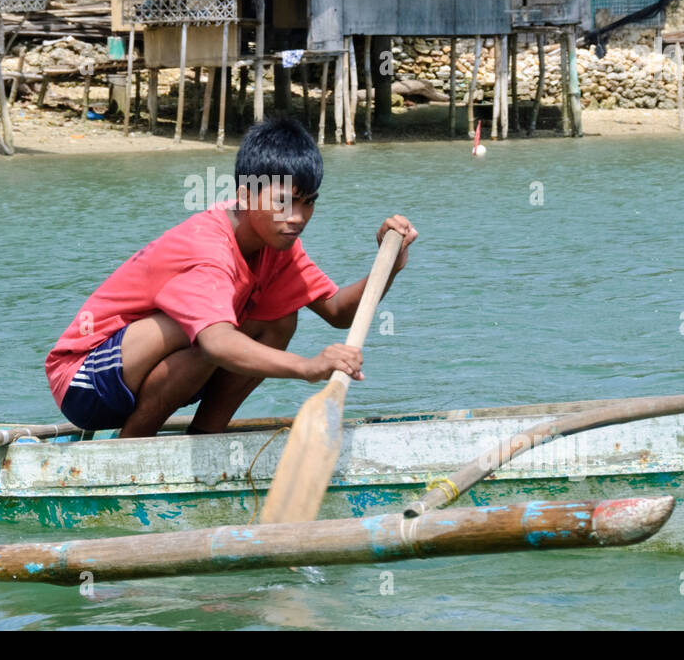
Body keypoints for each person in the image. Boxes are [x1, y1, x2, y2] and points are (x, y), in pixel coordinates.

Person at [45, 116, 417, 437]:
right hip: (84, 384)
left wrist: (390, 267)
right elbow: (218, 344)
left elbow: (337, 311)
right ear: (245, 194)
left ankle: (207, 434)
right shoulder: (208, 247)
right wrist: (307, 368)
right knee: (207, 336)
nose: (299, 217)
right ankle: (133, 445)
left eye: (309, 201)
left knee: (280, 317)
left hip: (153, 377)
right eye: (284, 202)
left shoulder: (278, 242)